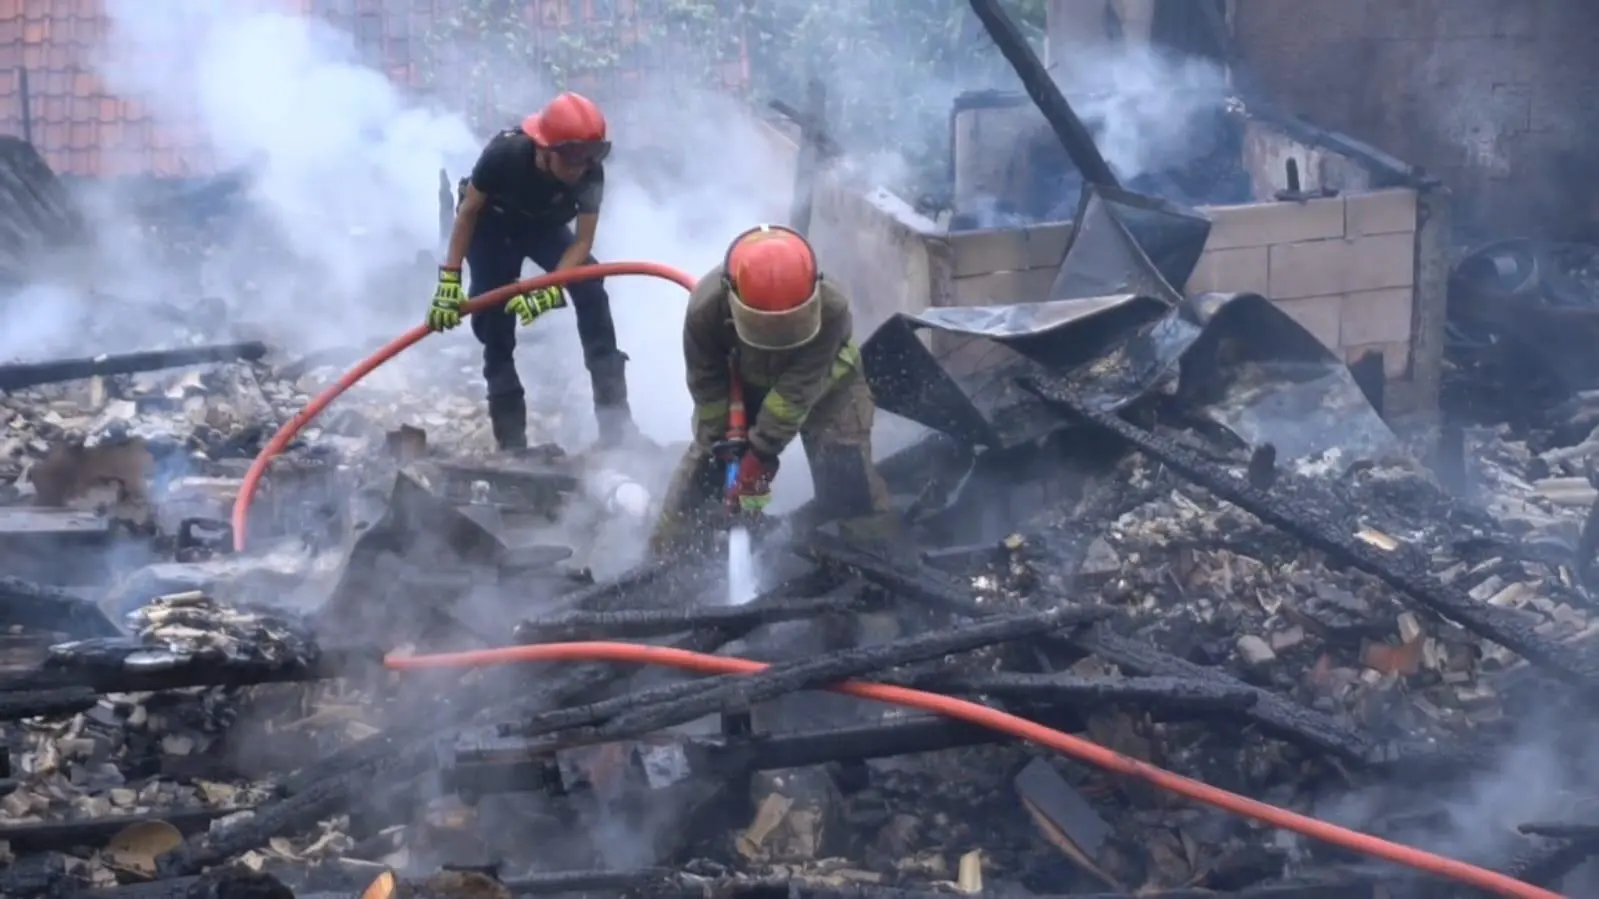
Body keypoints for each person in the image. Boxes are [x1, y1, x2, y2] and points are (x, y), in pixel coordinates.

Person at [649, 225, 897, 555]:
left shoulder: (833, 308)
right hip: (746, 386)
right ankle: (668, 554)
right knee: (705, 470)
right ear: (731, 295)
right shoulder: (705, 310)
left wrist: (762, 451)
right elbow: (707, 383)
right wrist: (723, 443)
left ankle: (873, 556)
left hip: (828, 389)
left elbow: (797, 389)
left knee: (846, 474)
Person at [425, 91, 633, 451]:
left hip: (541, 227)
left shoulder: (589, 172)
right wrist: (449, 280)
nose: (580, 168)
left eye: (591, 157)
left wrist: (550, 287)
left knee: (590, 285)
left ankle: (615, 428)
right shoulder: (504, 156)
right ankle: (513, 446)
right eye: (571, 159)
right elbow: (469, 212)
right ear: (544, 148)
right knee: (495, 324)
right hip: (492, 226)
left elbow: (581, 244)